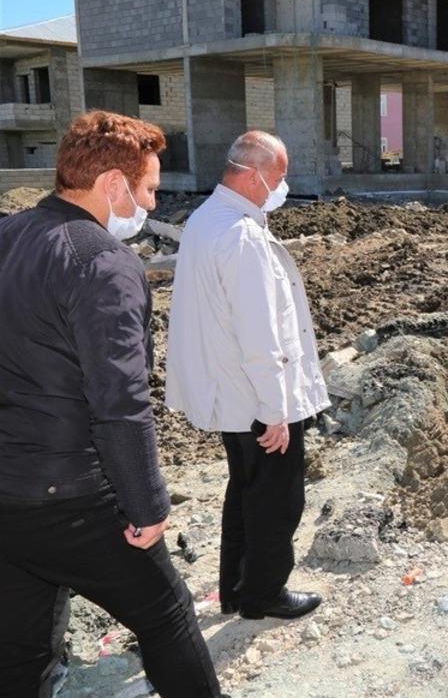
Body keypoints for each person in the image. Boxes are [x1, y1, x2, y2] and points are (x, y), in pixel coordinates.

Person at [0, 111, 223, 697]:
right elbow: (120, 401)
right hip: (67, 491)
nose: (152, 201)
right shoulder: (102, 262)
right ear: (113, 185)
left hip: (6, 490)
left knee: (19, 649)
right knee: (166, 615)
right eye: (149, 188)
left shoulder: (9, 235)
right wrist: (146, 505)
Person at [166, 131, 328, 621]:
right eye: (278, 177)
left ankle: (236, 590)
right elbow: (261, 336)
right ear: (253, 173)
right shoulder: (240, 237)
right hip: (257, 399)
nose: (281, 186)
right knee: (277, 501)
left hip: (231, 397)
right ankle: (263, 594)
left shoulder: (205, 219)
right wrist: (276, 412)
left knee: (244, 493)